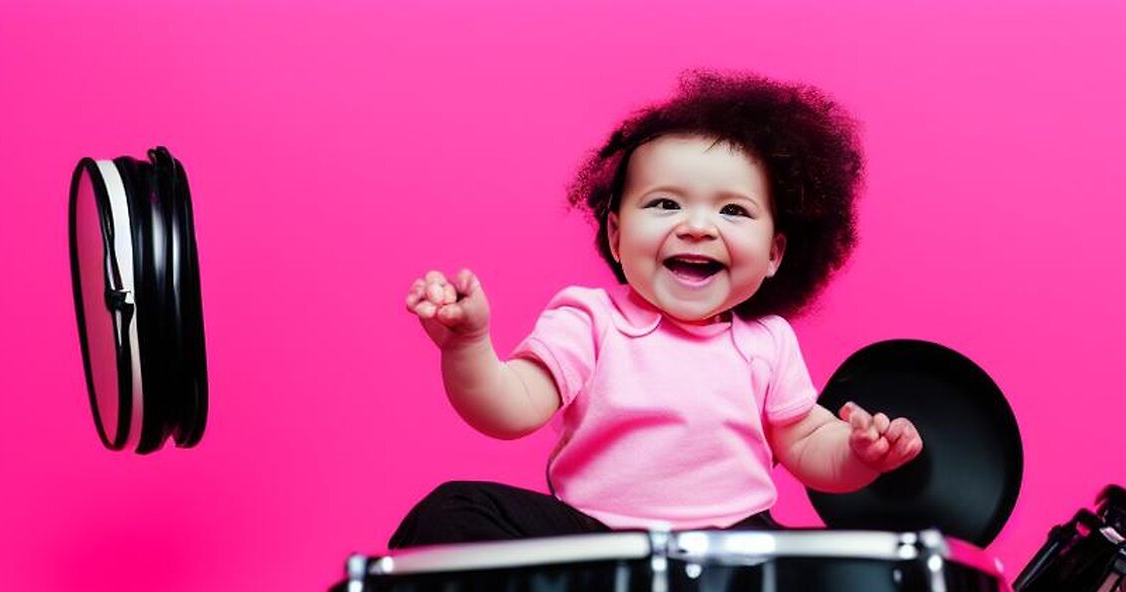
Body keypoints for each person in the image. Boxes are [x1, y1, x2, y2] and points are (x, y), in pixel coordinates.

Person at [390, 70, 922, 548]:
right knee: (453, 511)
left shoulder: (766, 340)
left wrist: (859, 455)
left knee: (846, 561)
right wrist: (469, 344)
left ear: (774, 255)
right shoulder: (590, 321)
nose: (696, 226)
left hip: (734, 546)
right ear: (616, 237)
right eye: (665, 203)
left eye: (733, 210)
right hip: (598, 544)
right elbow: (509, 409)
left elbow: (807, 442)